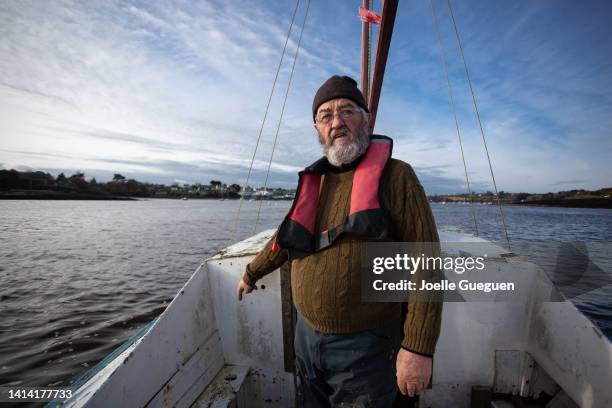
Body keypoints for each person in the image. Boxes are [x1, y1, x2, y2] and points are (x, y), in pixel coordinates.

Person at [236, 75, 442, 407]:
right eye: (326, 115)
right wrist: (251, 272)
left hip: (368, 346)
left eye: (347, 110)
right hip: (305, 337)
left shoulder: (398, 176)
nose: (337, 122)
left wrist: (418, 348)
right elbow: (284, 237)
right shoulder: (315, 182)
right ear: (317, 129)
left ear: (365, 118)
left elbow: (426, 265)